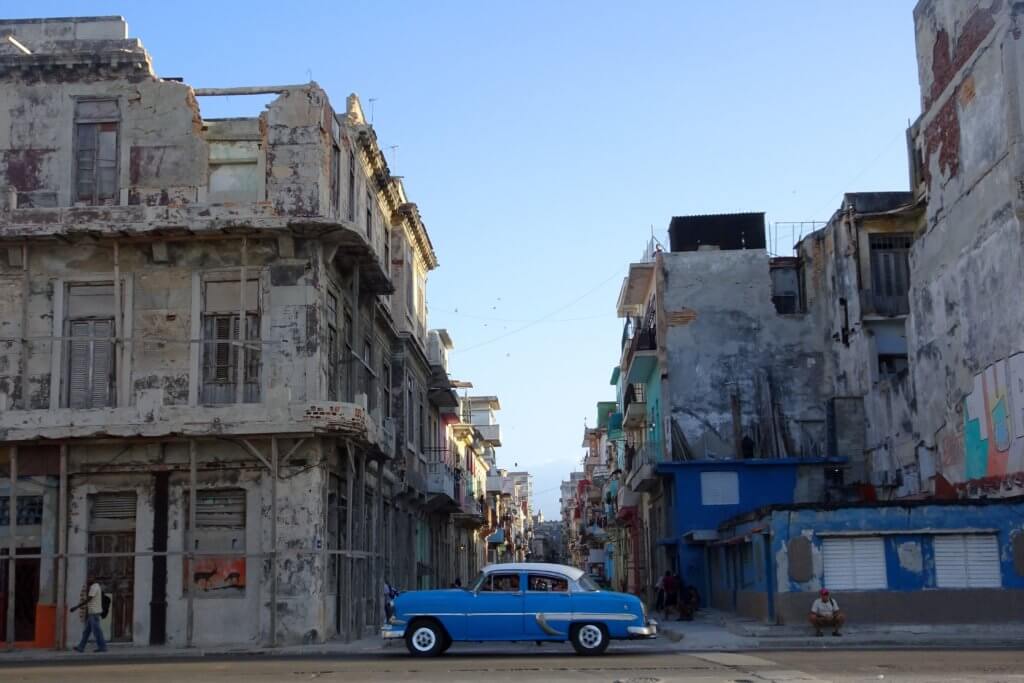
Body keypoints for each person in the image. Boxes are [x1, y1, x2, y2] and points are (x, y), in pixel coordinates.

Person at [70, 577, 107, 653]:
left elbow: (88, 599)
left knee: (97, 631)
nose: (87, 581)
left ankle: (102, 647)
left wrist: (76, 607)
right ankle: (81, 647)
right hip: (92, 613)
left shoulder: (94, 587)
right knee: (86, 632)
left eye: (89, 579)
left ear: (93, 580)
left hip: (94, 613)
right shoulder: (96, 586)